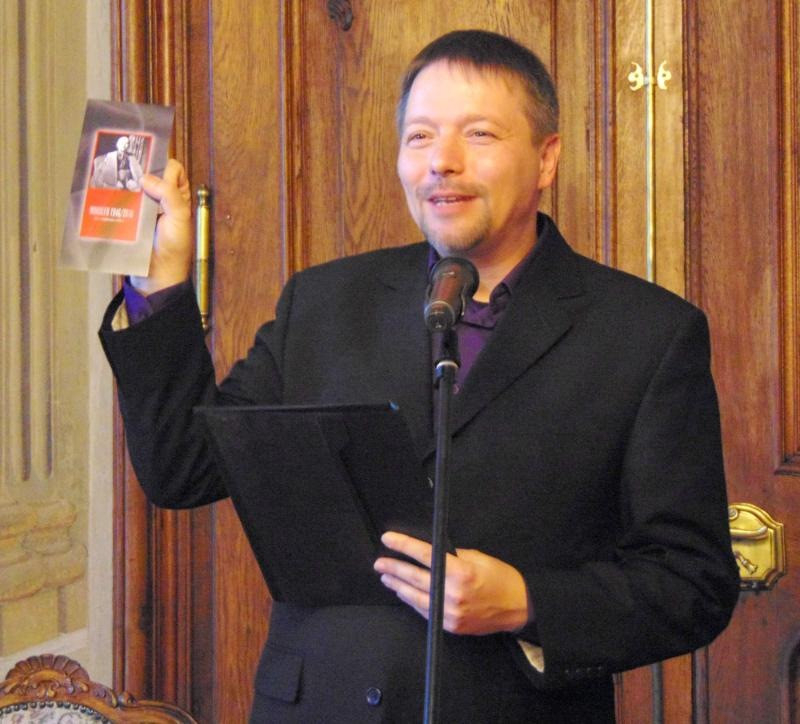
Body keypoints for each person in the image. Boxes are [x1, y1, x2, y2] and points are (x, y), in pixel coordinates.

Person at [99, 30, 739, 723]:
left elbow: (693, 583)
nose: (442, 162)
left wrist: (525, 601)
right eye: (420, 137)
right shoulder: (323, 301)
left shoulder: (646, 333)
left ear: (546, 158)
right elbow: (183, 469)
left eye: (480, 134)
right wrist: (160, 288)